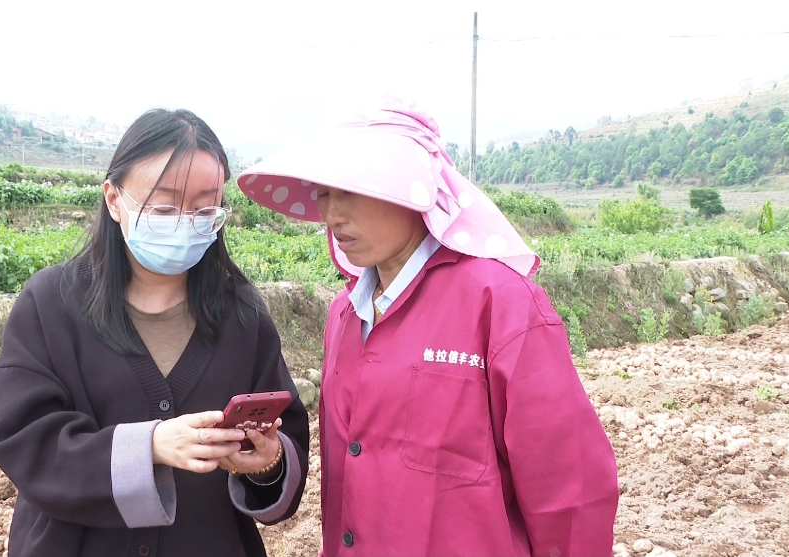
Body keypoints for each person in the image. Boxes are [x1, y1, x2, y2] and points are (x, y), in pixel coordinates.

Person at [236, 97, 619, 557]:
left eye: (351, 190)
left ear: (411, 190)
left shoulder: (499, 301)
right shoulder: (345, 313)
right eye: (324, 193)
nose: (333, 214)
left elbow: (569, 486)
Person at [0, 108, 309, 557]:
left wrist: (267, 462)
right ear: (114, 199)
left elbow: (285, 439)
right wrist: (150, 446)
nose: (184, 222)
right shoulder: (50, 305)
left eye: (204, 208)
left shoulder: (244, 316)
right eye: (162, 206)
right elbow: (23, 440)